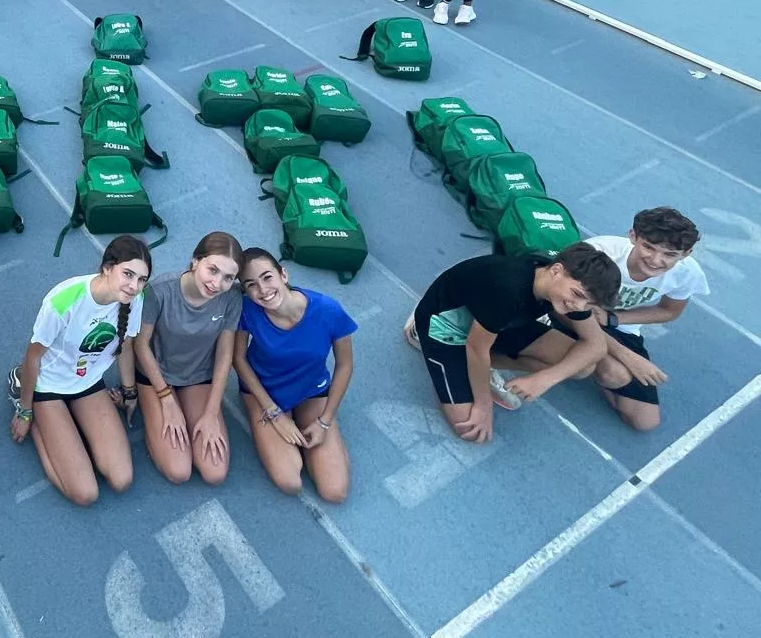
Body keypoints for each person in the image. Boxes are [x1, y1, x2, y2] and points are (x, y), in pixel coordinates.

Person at [496, 208, 707, 432]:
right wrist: (629, 357)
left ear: (686, 253)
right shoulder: (601, 253)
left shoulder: (688, 273)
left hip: (614, 326)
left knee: (645, 422)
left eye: (669, 254)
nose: (656, 260)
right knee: (611, 372)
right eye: (648, 247)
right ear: (633, 236)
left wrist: (614, 318)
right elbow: (563, 307)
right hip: (572, 316)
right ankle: (573, 356)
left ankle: (591, 362)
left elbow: (669, 311)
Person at [406, 245, 621, 444]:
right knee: (470, 428)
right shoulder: (509, 288)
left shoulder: (566, 287)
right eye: (578, 295)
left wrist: (544, 379)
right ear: (556, 270)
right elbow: (476, 348)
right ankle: (420, 333)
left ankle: (479, 371)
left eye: (589, 304)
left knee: (583, 366)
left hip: (496, 323)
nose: (579, 306)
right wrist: (483, 405)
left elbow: (596, 346)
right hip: (446, 323)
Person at [9, 235, 151, 506]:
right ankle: (36, 417)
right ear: (107, 267)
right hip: (47, 386)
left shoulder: (135, 299)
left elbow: (126, 346)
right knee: (85, 494)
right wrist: (26, 412)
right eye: (128, 274)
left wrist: (130, 392)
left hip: (87, 384)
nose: (134, 286)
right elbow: (32, 357)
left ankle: (61, 422)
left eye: (141, 279)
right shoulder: (64, 299)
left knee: (122, 479)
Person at [235, 248, 356, 503]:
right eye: (251, 285)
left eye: (268, 277)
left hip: (312, 391)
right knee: (290, 481)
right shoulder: (246, 309)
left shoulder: (327, 309)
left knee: (335, 492)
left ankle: (322, 433)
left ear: (284, 275)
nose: (263, 289)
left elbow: (344, 365)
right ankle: (279, 427)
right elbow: (239, 359)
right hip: (264, 393)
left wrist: (325, 421)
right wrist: (273, 412)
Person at [134, 232, 242, 485]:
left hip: (198, 377)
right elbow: (140, 346)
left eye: (228, 277)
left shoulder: (231, 298)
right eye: (212, 270)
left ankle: (185, 409)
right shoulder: (160, 291)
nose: (217, 283)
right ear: (195, 261)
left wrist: (212, 413)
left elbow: (225, 355)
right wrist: (166, 398)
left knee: (215, 473)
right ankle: (148, 409)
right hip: (157, 376)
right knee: (178, 471)